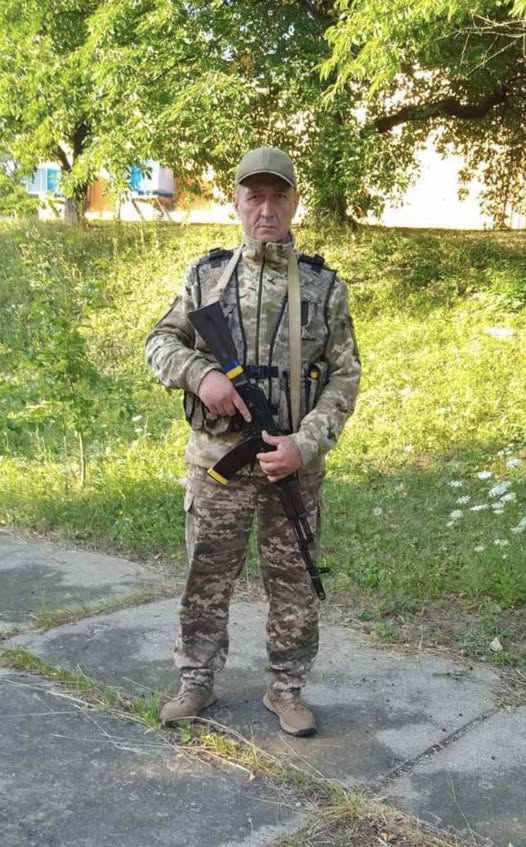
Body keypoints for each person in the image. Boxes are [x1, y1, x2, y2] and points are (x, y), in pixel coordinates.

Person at [145, 147, 361, 736]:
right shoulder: (206, 278)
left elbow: (345, 376)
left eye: (278, 197)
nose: (266, 209)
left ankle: (286, 690)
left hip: (291, 468)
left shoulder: (323, 287)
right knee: (205, 578)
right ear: (237, 203)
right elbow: (160, 343)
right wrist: (201, 375)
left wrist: (304, 445)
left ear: (294, 202)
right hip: (217, 462)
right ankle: (195, 681)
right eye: (254, 197)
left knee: (294, 585)